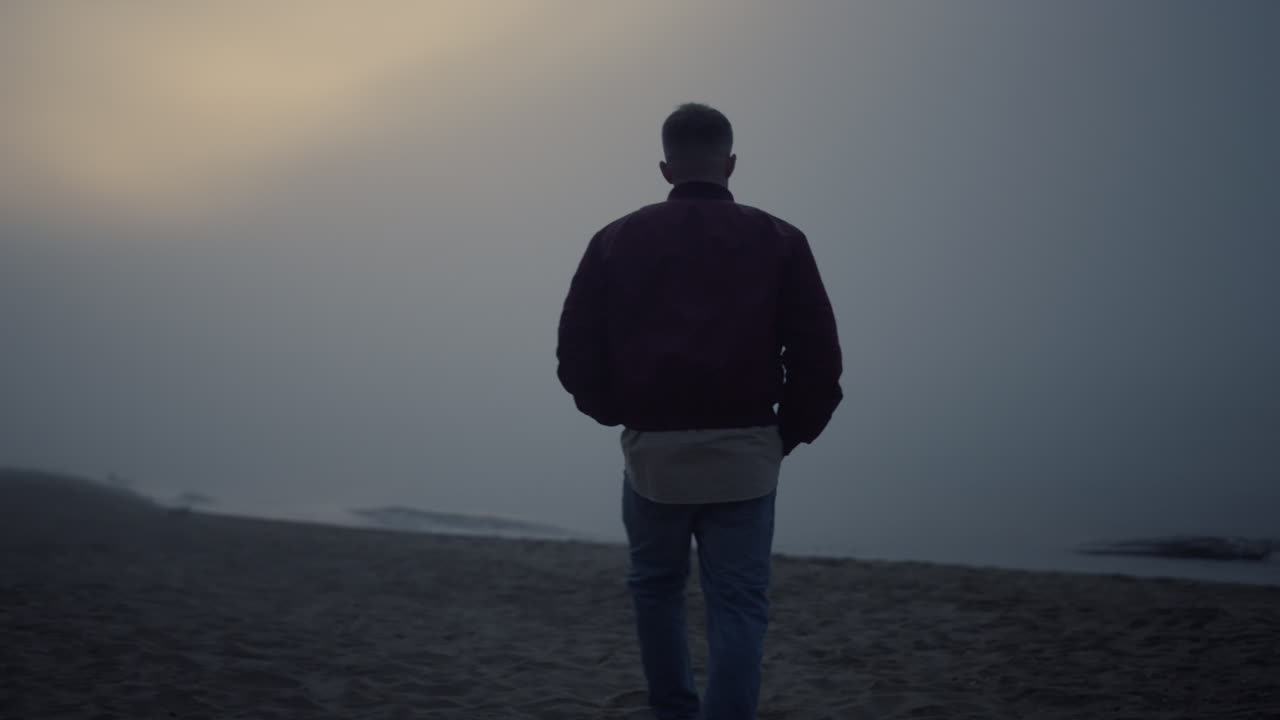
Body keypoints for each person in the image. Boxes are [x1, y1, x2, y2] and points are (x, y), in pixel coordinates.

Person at [556, 103, 842, 720]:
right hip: (746, 452)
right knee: (738, 603)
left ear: (665, 168)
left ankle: (674, 710)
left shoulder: (615, 239)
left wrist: (621, 412)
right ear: (731, 163)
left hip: (655, 454)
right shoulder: (781, 239)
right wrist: (784, 435)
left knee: (656, 590)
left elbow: (576, 351)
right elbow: (819, 358)